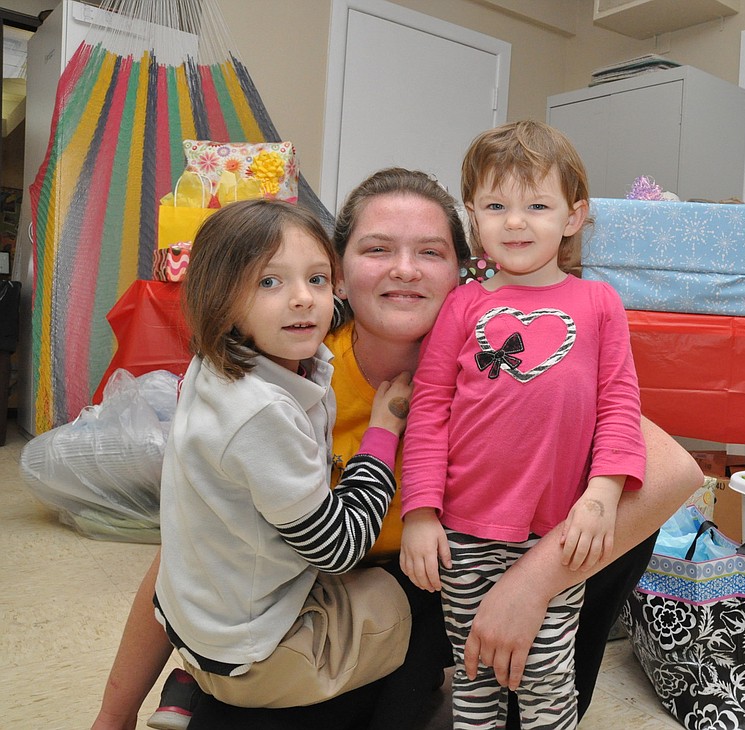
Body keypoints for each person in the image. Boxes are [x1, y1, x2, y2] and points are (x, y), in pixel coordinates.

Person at [91, 167, 704, 730]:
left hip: (471, 570)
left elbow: (674, 470)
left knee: (614, 502)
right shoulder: (285, 370)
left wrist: (531, 585)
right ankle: (204, 684)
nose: (404, 269)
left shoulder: (502, 355)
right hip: (335, 594)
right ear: (339, 268)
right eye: (377, 249)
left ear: (467, 271)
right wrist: (111, 718)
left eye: (431, 253)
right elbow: (191, 547)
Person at [399, 121, 646, 729]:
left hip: (555, 534)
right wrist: (421, 512)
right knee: (475, 676)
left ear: (573, 216)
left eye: (536, 205)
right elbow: (429, 409)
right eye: (496, 206)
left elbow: (619, 404)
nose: (515, 222)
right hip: (461, 532)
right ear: (472, 217)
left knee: (544, 681)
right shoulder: (462, 305)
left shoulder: (599, 304)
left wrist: (603, 493)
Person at [151, 198, 416, 718]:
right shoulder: (258, 414)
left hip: (200, 616)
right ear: (219, 300)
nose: (303, 301)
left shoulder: (222, 354)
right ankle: (215, 687)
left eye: (318, 279)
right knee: (415, 593)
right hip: (257, 651)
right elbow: (337, 548)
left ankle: (190, 677)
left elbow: (316, 307)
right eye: (269, 282)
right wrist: (382, 433)